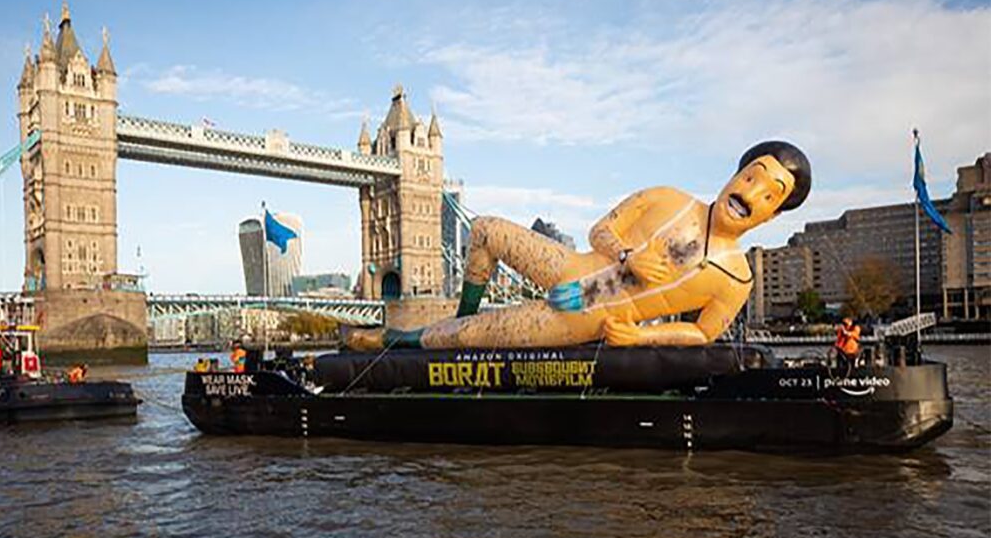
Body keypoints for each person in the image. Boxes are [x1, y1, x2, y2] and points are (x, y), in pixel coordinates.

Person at [344, 141, 811, 350]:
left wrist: (640, 337)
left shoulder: (736, 280)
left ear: (773, 215)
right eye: (752, 177)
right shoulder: (667, 198)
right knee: (483, 228)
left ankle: (394, 339)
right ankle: (463, 315)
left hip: (582, 318)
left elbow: (704, 334)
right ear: (736, 173)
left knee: (461, 338)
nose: (752, 194)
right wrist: (626, 255)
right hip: (570, 267)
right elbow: (599, 231)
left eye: (771, 194)